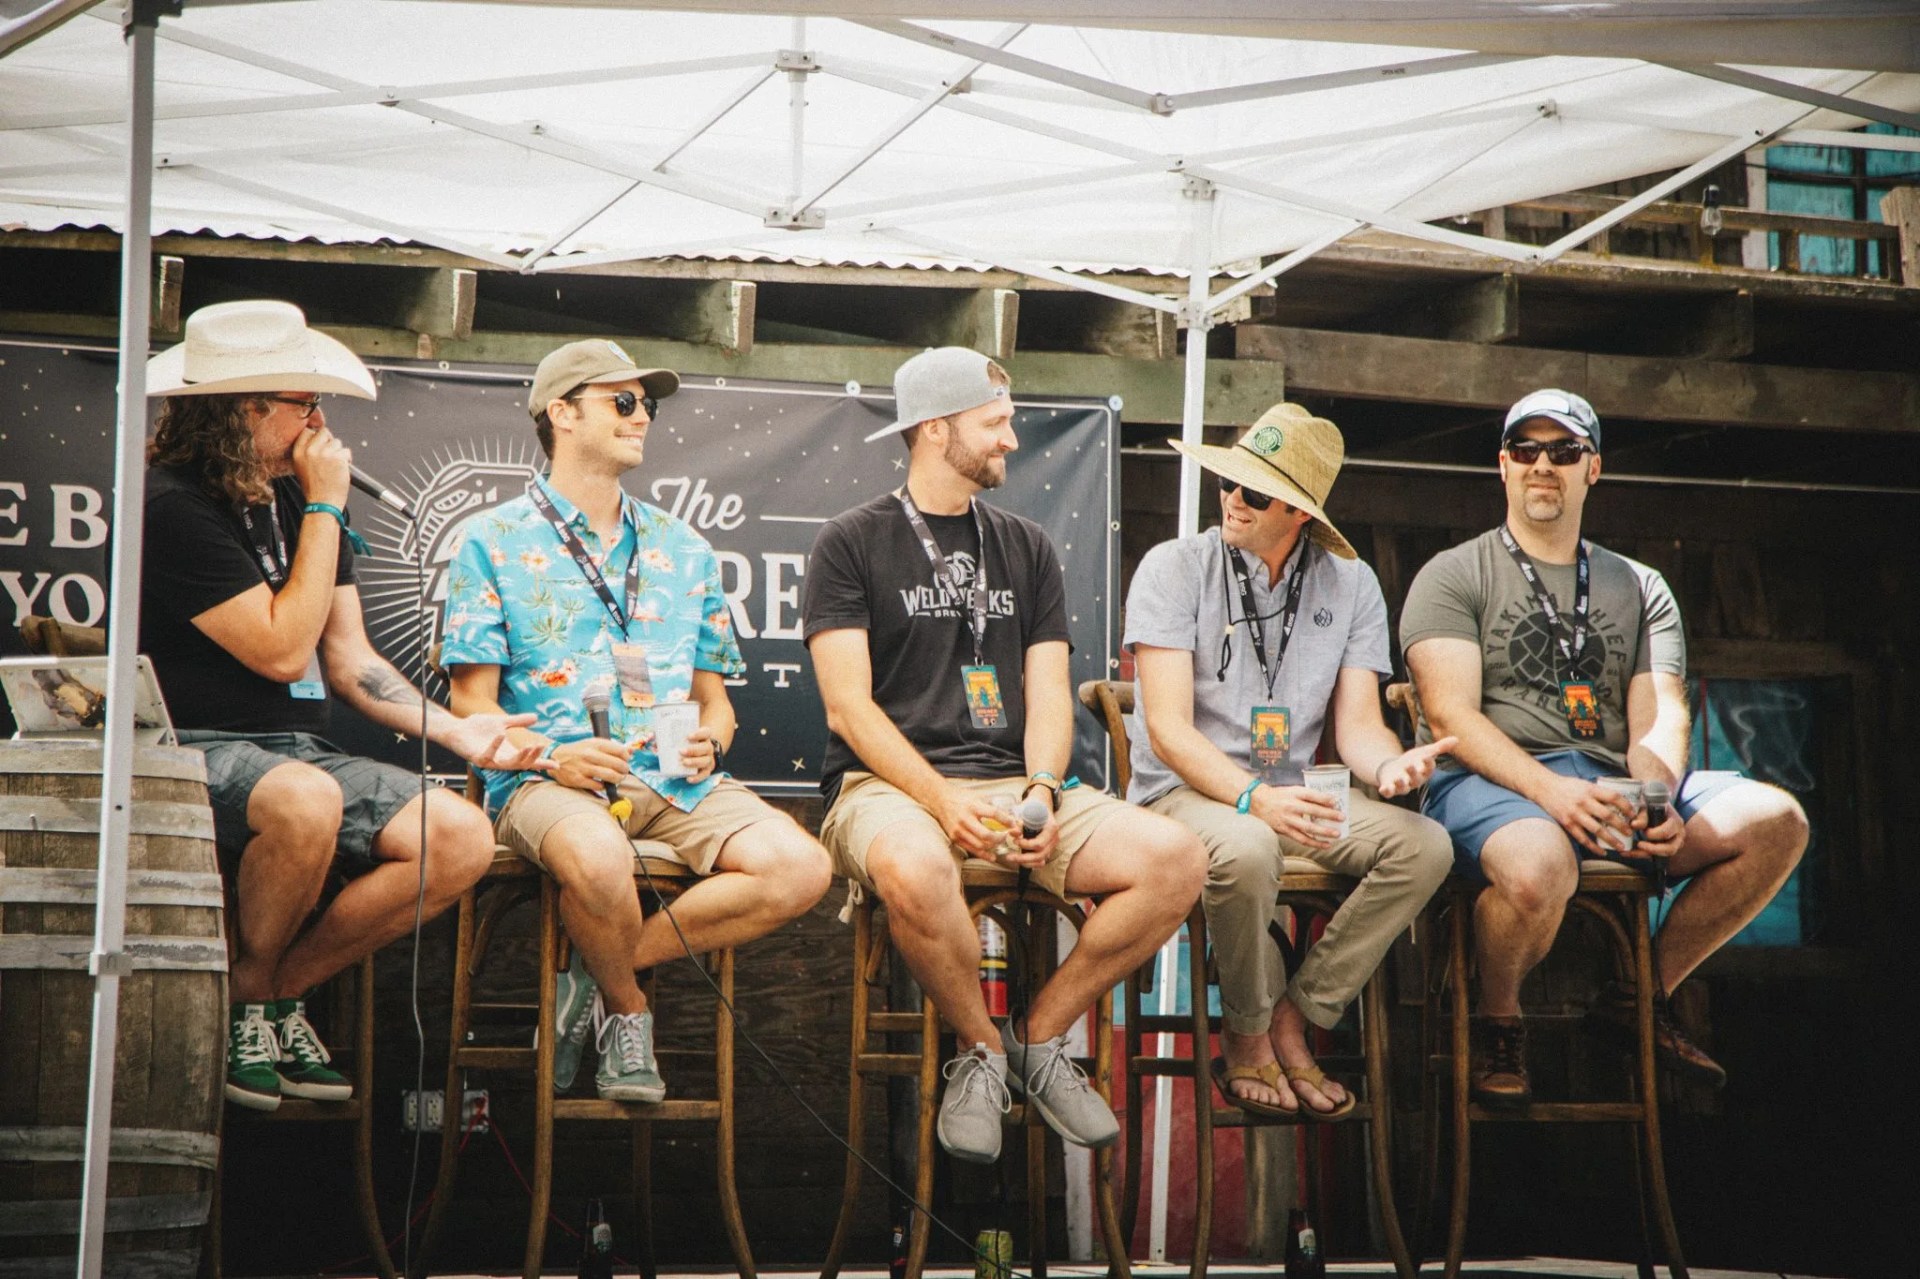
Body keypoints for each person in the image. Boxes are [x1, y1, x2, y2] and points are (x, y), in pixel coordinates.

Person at [803, 346, 1205, 1163]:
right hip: (887, 787)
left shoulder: (1025, 544)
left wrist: (1045, 791)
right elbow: (849, 707)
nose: (1011, 440)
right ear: (935, 428)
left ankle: (1037, 1035)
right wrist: (943, 801)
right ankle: (980, 1051)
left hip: (1015, 781)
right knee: (915, 867)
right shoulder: (849, 543)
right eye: (994, 424)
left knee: (1177, 860)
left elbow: (1049, 692)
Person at [140, 300, 543, 1111]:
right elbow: (282, 648)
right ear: (245, 406)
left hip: (300, 749)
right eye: (304, 404)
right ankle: (252, 1003)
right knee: (307, 798)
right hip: (196, 746)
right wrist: (327, 506)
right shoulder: (174, 508)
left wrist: (463, 732)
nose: (320, 424)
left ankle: (266, 992)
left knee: (458, 836)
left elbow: (352, 663)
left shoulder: (294, 501)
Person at [441, 339, 830, 1102]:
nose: (642, 415)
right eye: (623, 401)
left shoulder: (684, 546)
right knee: (597, 854)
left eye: (646, 404)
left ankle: (601, 965)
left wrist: (709, 738)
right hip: (545, 780)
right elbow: (470, 705)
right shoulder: (492, 539)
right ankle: (627, 1006)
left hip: (671, 779)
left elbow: (719, 704)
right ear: (562, 411)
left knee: (804, 866)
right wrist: (553, 758)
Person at [1401, 388, 1808, 1107]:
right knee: (1536, 865)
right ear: (1502, 465)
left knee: (1777, 821)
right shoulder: (1454, 573)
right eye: (1525, 450)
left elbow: (1660, 713)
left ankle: (1640, 995)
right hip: (1494, 785)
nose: (1542, 466)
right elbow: (1449, 715)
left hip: (1613, 783)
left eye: (1564, 451)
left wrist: (1655, 800)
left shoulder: (1639, 584)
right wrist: (1551, 792)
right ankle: (1500, 1019)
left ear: (1594, 469)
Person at [1126, 404, 1455, 1117]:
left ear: (1300, 513)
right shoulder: (1173, 567)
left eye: (1255, 492)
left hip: (1294, 793)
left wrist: (1389, 768)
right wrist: (1252, 798)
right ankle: (1245, 1034)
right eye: (1228, 483)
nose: (1233, 500)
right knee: (1245, 846)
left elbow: (1360, 726)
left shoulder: (1353, 582)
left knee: (1426, 845)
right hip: (1185, 792)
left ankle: (1296, 1017)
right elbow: (1168, 732)